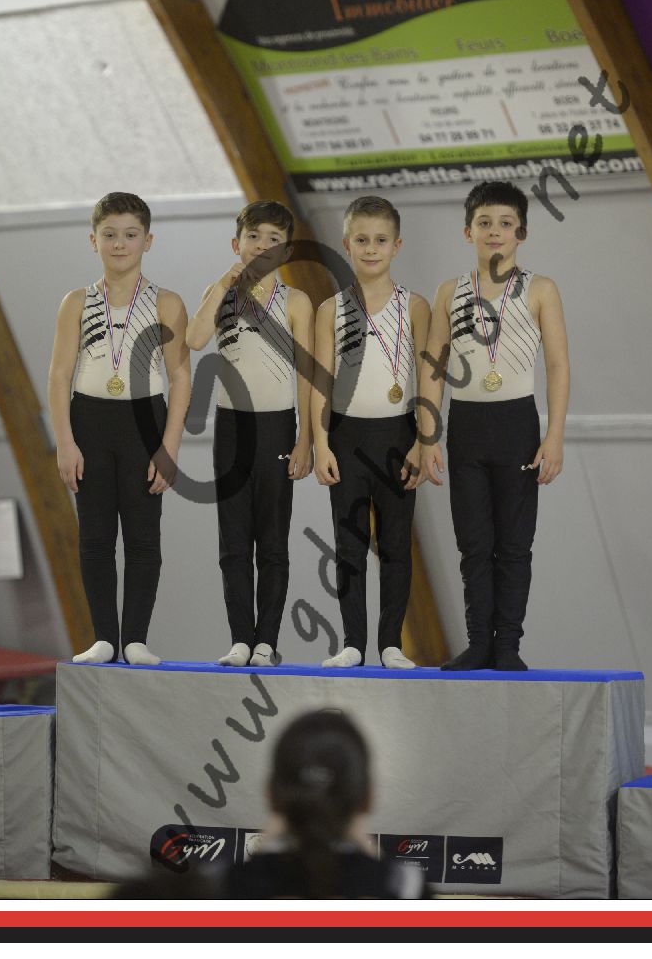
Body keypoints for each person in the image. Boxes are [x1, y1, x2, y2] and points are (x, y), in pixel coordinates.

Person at [419, 180, 570, 671]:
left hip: (517, 425)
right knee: (474, 545)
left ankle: (508, 647)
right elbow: (434, 367)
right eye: (484, 223)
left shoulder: (541, 289)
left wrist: (554, 436)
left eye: (505, 223)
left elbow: (558, 365)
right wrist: (427, 436)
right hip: (467, 427)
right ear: (468, 232)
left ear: (521, 232)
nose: (494, 231)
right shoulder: (450, 292)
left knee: (514, 546)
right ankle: (479, 643)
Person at [47, 192, 191, 666]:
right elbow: (59, 375)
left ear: (148, 240)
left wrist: (169, 447)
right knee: (95, 537)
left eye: (130, 235)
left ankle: (135, 640)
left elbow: (180, 377)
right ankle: (105, 638)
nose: (119, 243)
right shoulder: (76, 302)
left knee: (143, 537)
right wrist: (65, 442)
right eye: (109, 235)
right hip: (90, 421)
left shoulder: (167, 303)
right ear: (93, 240)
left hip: (144, 422)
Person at [186, 200, 313, 667]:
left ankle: (266, 641)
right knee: (234, 542)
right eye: (254, 237)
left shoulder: (296, 302)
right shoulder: (220, 293)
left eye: (273, 240)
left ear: (286, 251)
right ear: (236, 243)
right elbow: (194, 340)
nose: (262, 246)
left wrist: (305, 438)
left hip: (278, 425)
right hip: (231, 427)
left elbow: (307, 376)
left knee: (272, 541)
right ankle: (241, 638)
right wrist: (223, 283)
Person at [312, 196, 430, 669]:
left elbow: (427, 379)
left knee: (396, 544)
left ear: (396, 246)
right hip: (347, 437)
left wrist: (423, 441)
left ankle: (391, 645)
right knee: (350, 546)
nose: (371, 249)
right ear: (347, 245)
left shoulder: (414, 307)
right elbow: (320, 381)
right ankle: (353, 644)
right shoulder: (330, 309)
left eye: (381, 240)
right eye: (361, 240)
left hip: (399, 435)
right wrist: (320, 443)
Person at [224, 709, 426, 898]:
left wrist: (258, 853)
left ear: (271, 795)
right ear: (368, 798)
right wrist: (373, 853)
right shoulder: (407, 889)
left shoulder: (224, 887)